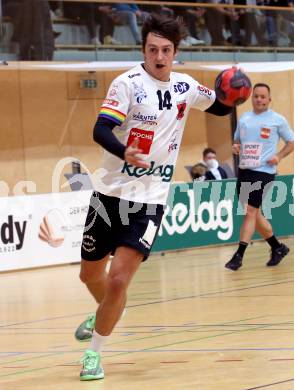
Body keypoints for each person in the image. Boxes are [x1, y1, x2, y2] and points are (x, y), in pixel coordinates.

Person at [77, 14, 238, 381]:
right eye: (152, 49)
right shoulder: (127, 84)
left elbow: (221, 106)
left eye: (166, 50)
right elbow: (100, 129)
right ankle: (107, 310)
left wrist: (232, 87)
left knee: (119, 280)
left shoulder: (185, 86)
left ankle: (93, 353)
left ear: (176, 52)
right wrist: (124, 152)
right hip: (109, 195)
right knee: (90, 275)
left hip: (150, 198)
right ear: (143, 50)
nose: (159, 56)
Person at [225, 83, 294, 271]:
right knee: (254, 214)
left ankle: (238, 256)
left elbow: (291, 141)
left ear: (269, 99)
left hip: (264, 172)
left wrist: (279, 156)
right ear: (251, 98)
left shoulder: (277, 120)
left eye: (263, 96)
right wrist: (236, 147)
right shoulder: (245, 118)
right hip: (244, 170)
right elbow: (237, 141)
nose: (259, 99)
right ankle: (277, 247)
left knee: (250, 212)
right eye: (256, 96)